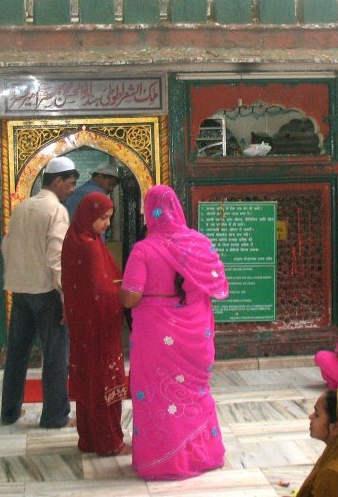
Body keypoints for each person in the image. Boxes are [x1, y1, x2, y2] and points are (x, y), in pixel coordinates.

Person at [119, 184, 229, 480]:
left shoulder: (144, 249)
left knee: (158, 395)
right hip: (195, 334)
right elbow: (212, 287)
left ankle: (164, 461)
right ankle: (203, 455)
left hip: (155, 334)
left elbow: (130, 298)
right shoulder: (200, 244)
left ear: (149, 212)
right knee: (195, 393)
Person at [0, 155, 78, 428]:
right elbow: (57, 258)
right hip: (46, 293)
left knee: (17, 354)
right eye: (69, 184)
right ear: (57, 181)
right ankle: (55, 416)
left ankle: (9, 412)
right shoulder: (56, 211)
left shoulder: (22, 208)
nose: (71, 190)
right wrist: (67, 298)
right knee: (55, 355)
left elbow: (6, 247)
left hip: (20, 291)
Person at [61, 192, 130, 455]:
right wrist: (125, 296)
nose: (107, 224)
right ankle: (110, 442)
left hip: (82, 328)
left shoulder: (75, 237)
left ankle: (88, 439)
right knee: (104, 384)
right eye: (102, 218)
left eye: (109, 219)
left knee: (88, 382)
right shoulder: (90, 246)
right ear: (89, 215)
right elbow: (102, 290)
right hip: (100, 330)